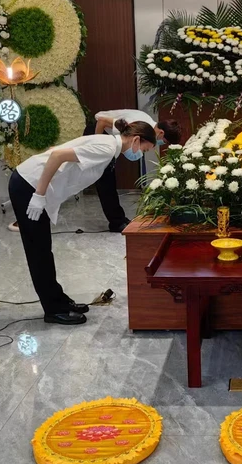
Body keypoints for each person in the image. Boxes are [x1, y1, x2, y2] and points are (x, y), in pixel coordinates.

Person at [8, 119, 157, 325]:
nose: (140, 154)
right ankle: (53, 310)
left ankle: (59, 300)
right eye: (144, 149)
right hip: (29, 185)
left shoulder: (108, 145)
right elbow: (56, 155)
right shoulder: (106, 148)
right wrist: (39, 194)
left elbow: (56, 150)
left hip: (32, 184)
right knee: (38, 251)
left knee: (43, 249)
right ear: (136, 139)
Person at [87, 109, 182, 232]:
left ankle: (119, 218)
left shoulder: (147, 128)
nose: (161, 144)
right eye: (164, 142)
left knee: (110, 179)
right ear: (161, 132)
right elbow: (102, 121)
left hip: (110, 136)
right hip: (98, 131)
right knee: (106, 181)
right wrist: (98, 144)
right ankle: (116, 222)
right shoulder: (138, 124)